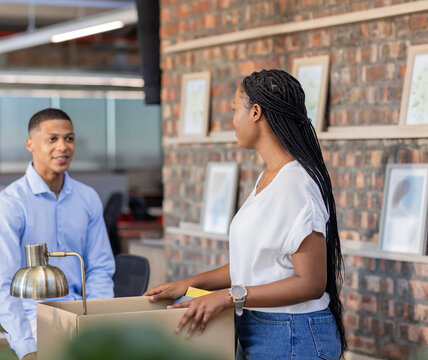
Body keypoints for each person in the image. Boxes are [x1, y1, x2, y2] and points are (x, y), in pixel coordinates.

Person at [145, 70, 346, 359]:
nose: (232, 121)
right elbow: (255, 262)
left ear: (255, 112)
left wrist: (228, 297)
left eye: (233, 110)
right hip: (261, 329)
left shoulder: (296, 184)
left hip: (292, 335)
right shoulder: (269, 177)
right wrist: (190, 284)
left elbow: (311, 283)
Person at [0, 108, 115, 360]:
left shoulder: (87, 197)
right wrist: (26, 347)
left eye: (69, 138)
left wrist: (99, 320)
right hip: (33, 315)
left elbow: (100, 268)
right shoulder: (11, 202)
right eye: (52, 139)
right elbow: (2, 283)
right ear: (30, 144)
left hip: (82, 310)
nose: (63, 147)